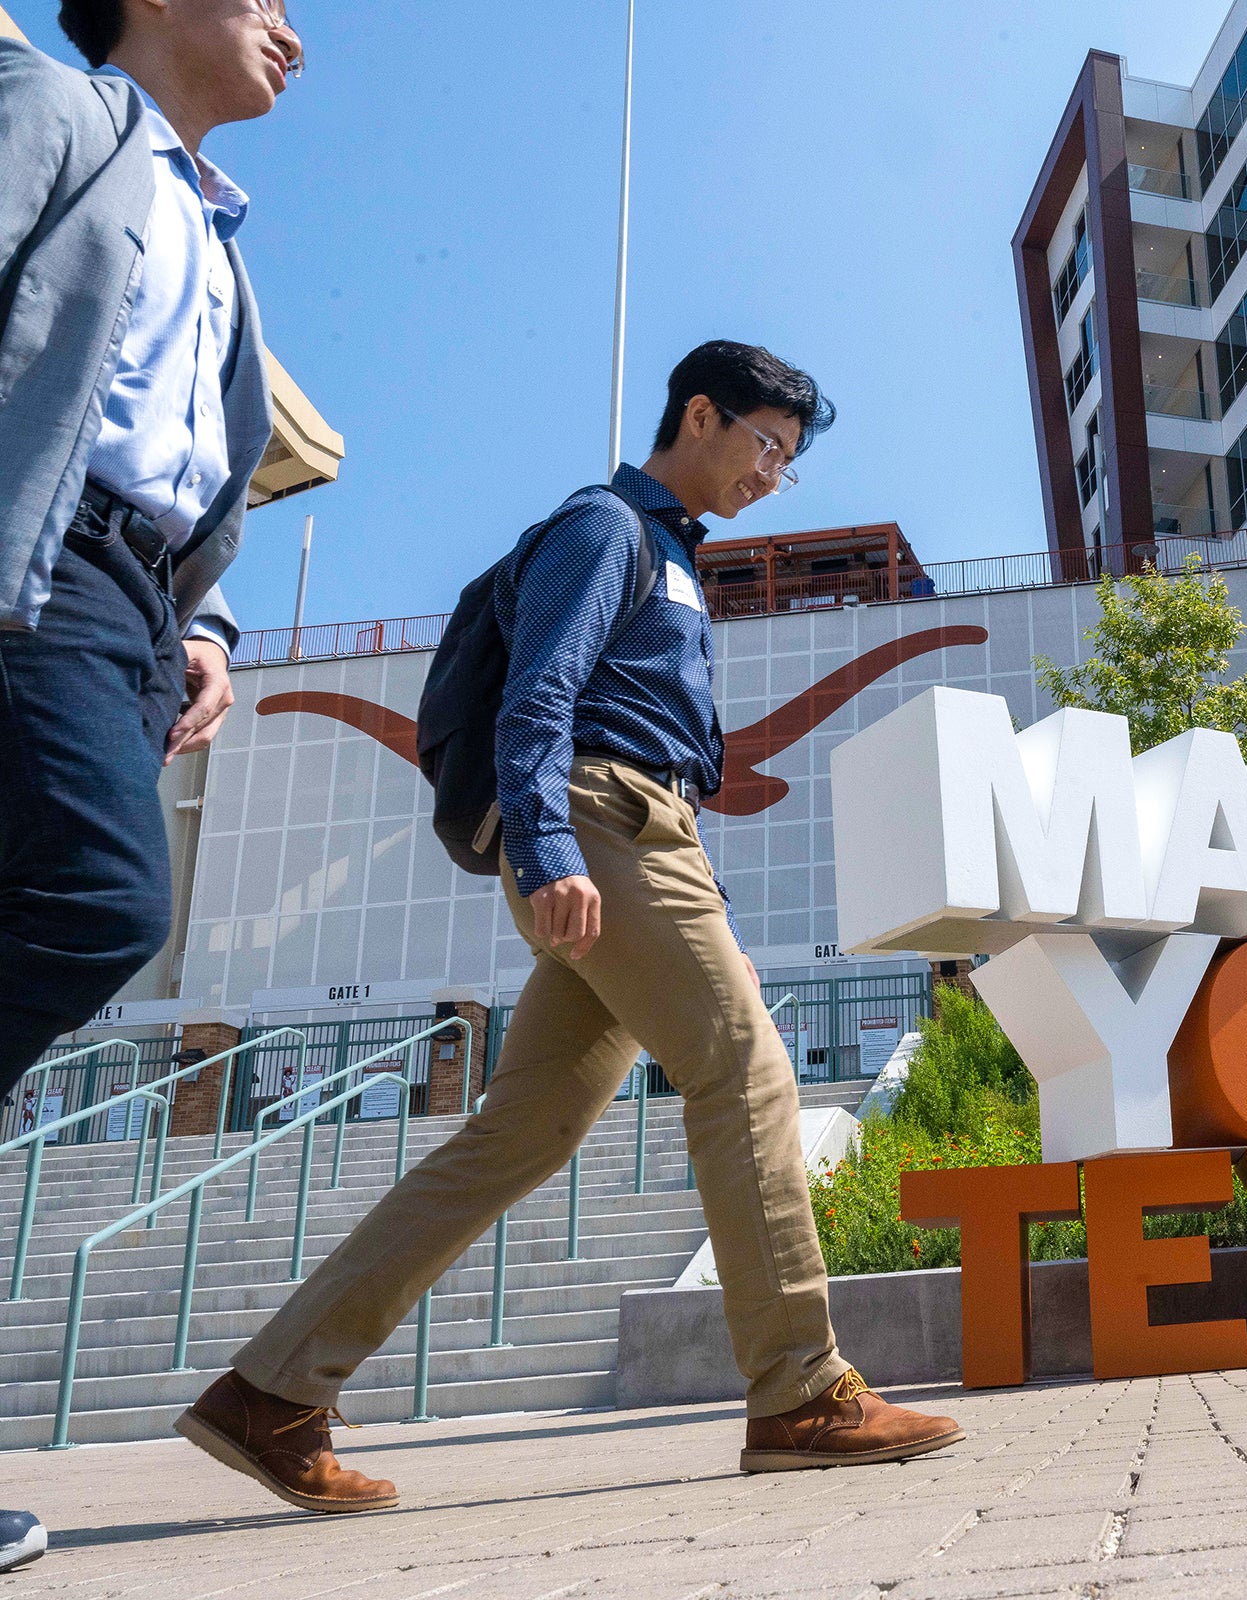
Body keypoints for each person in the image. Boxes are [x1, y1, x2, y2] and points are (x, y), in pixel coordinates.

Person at [176, 343, 964, 1514]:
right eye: (767, 447)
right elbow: (542, 691)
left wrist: (710, 920)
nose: (773, 477)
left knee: (523, 1134)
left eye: (789, 465)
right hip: (602, 821)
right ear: (700, 415)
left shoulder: (676, 558)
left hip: (646, 837)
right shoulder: (608, 529)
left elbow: (670, 760)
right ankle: (800, 1390)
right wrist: (544, 847)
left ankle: (271, 1393)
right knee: (744, 1074)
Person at [0, 0, 305, 1565]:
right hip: (32, 573)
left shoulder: (227, 246)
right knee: (104, 901)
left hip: (130, 610)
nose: (292, 32)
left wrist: (204, 621)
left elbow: (199, 453)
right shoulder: (55, 113)